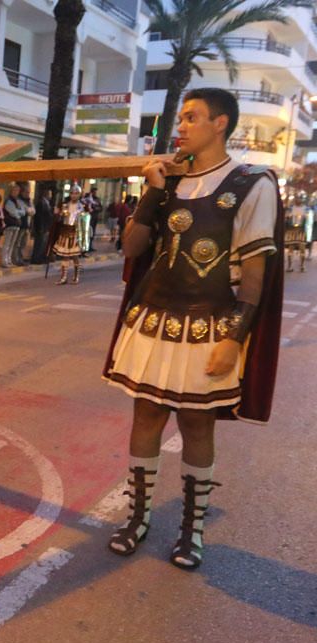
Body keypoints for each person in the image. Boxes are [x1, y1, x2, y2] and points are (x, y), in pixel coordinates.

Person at [103, 88, 282, 570]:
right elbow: (132, 247)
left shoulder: (252, 183)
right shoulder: (171, 181)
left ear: (220, 123)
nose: (180, 126)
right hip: (154, 319)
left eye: (191, 117)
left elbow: (255, 276)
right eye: (180, 117)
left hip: (209, 325)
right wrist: (154, 190)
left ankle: (191, 529)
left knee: (197, 423)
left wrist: (234, 337)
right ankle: (138, 518)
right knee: (146, 418)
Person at [48, 185, 88, 285]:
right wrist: (58, 213)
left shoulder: (82, 206)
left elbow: (85, 221)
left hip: (75, 232)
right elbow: (59, 218)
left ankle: (76, 276)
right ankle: (64, 277)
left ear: (79, 195)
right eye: (72, 193)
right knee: (64, 256)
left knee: (75, 256)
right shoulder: (65, 205)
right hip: (65, 231)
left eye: (76, 193)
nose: (73, 195)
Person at [2, 183, 27, 267]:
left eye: (18, 191)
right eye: (15, 190)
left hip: (16, 225)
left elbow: (23, 212)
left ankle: (9, 260)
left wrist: (18, 212)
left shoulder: (17, 201)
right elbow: (13, 212)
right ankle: (4, 260)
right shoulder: (9, 200)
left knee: (12, 244)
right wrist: (18, 213)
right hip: (10, 224)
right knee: (7, 243)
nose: (16, 192)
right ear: (11, 191)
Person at [284, 193, 310, 273]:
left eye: (300, 198)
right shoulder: (291, 208)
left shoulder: (306, 209)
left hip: (301, 230)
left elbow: (308, 220)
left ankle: (302, 266)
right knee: (291, 248)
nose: (298, 200)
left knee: (302, 248)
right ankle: (289, 266)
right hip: (292, 230)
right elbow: (286, 217)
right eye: (297, 198)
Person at [30, 187, 54, 265]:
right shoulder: (41, 203)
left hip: (45, 227)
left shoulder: (47, 203)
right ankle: (36, 258)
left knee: (42, 244)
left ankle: (40, 257)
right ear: (46, 194)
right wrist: (40, 228)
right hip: (41, 227)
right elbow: (39, 217)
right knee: (39, 244)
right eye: (50, 194)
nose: (51, 196)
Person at [82, 185, 104, 252]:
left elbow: (101, 208)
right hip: (88, 217)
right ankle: (85, 247)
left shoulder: (97, 199)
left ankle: (90, 246)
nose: (95, 193)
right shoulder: (87, 198)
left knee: (92, 232)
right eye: (94, 192)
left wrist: (96, 209)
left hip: (94, 217)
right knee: (87, 231)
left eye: (95, 192)